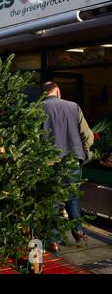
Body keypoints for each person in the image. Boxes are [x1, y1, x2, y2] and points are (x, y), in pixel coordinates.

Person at [43, 82, 94, 252]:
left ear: (45, 93)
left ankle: (53, 240)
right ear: (57, 91)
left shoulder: (39, 108)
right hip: (72, 159)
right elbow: (88, 135)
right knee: (73, 198)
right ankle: (78, 233)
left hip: (49, 162)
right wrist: (84, 154)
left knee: (53, 201)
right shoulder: (73, 106)